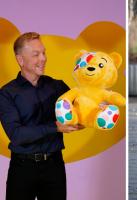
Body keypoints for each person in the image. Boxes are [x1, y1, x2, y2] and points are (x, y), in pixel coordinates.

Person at [0, 32, 84, 200]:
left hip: (54, 166)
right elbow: (16, 135)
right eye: (36, 54)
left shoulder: (57, 86)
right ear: (20, 60)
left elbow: (82, 107)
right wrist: (55, 126)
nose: (43, 58)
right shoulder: (6, 94)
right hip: (23, 168)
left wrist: (97, 108)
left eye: (44, 52)